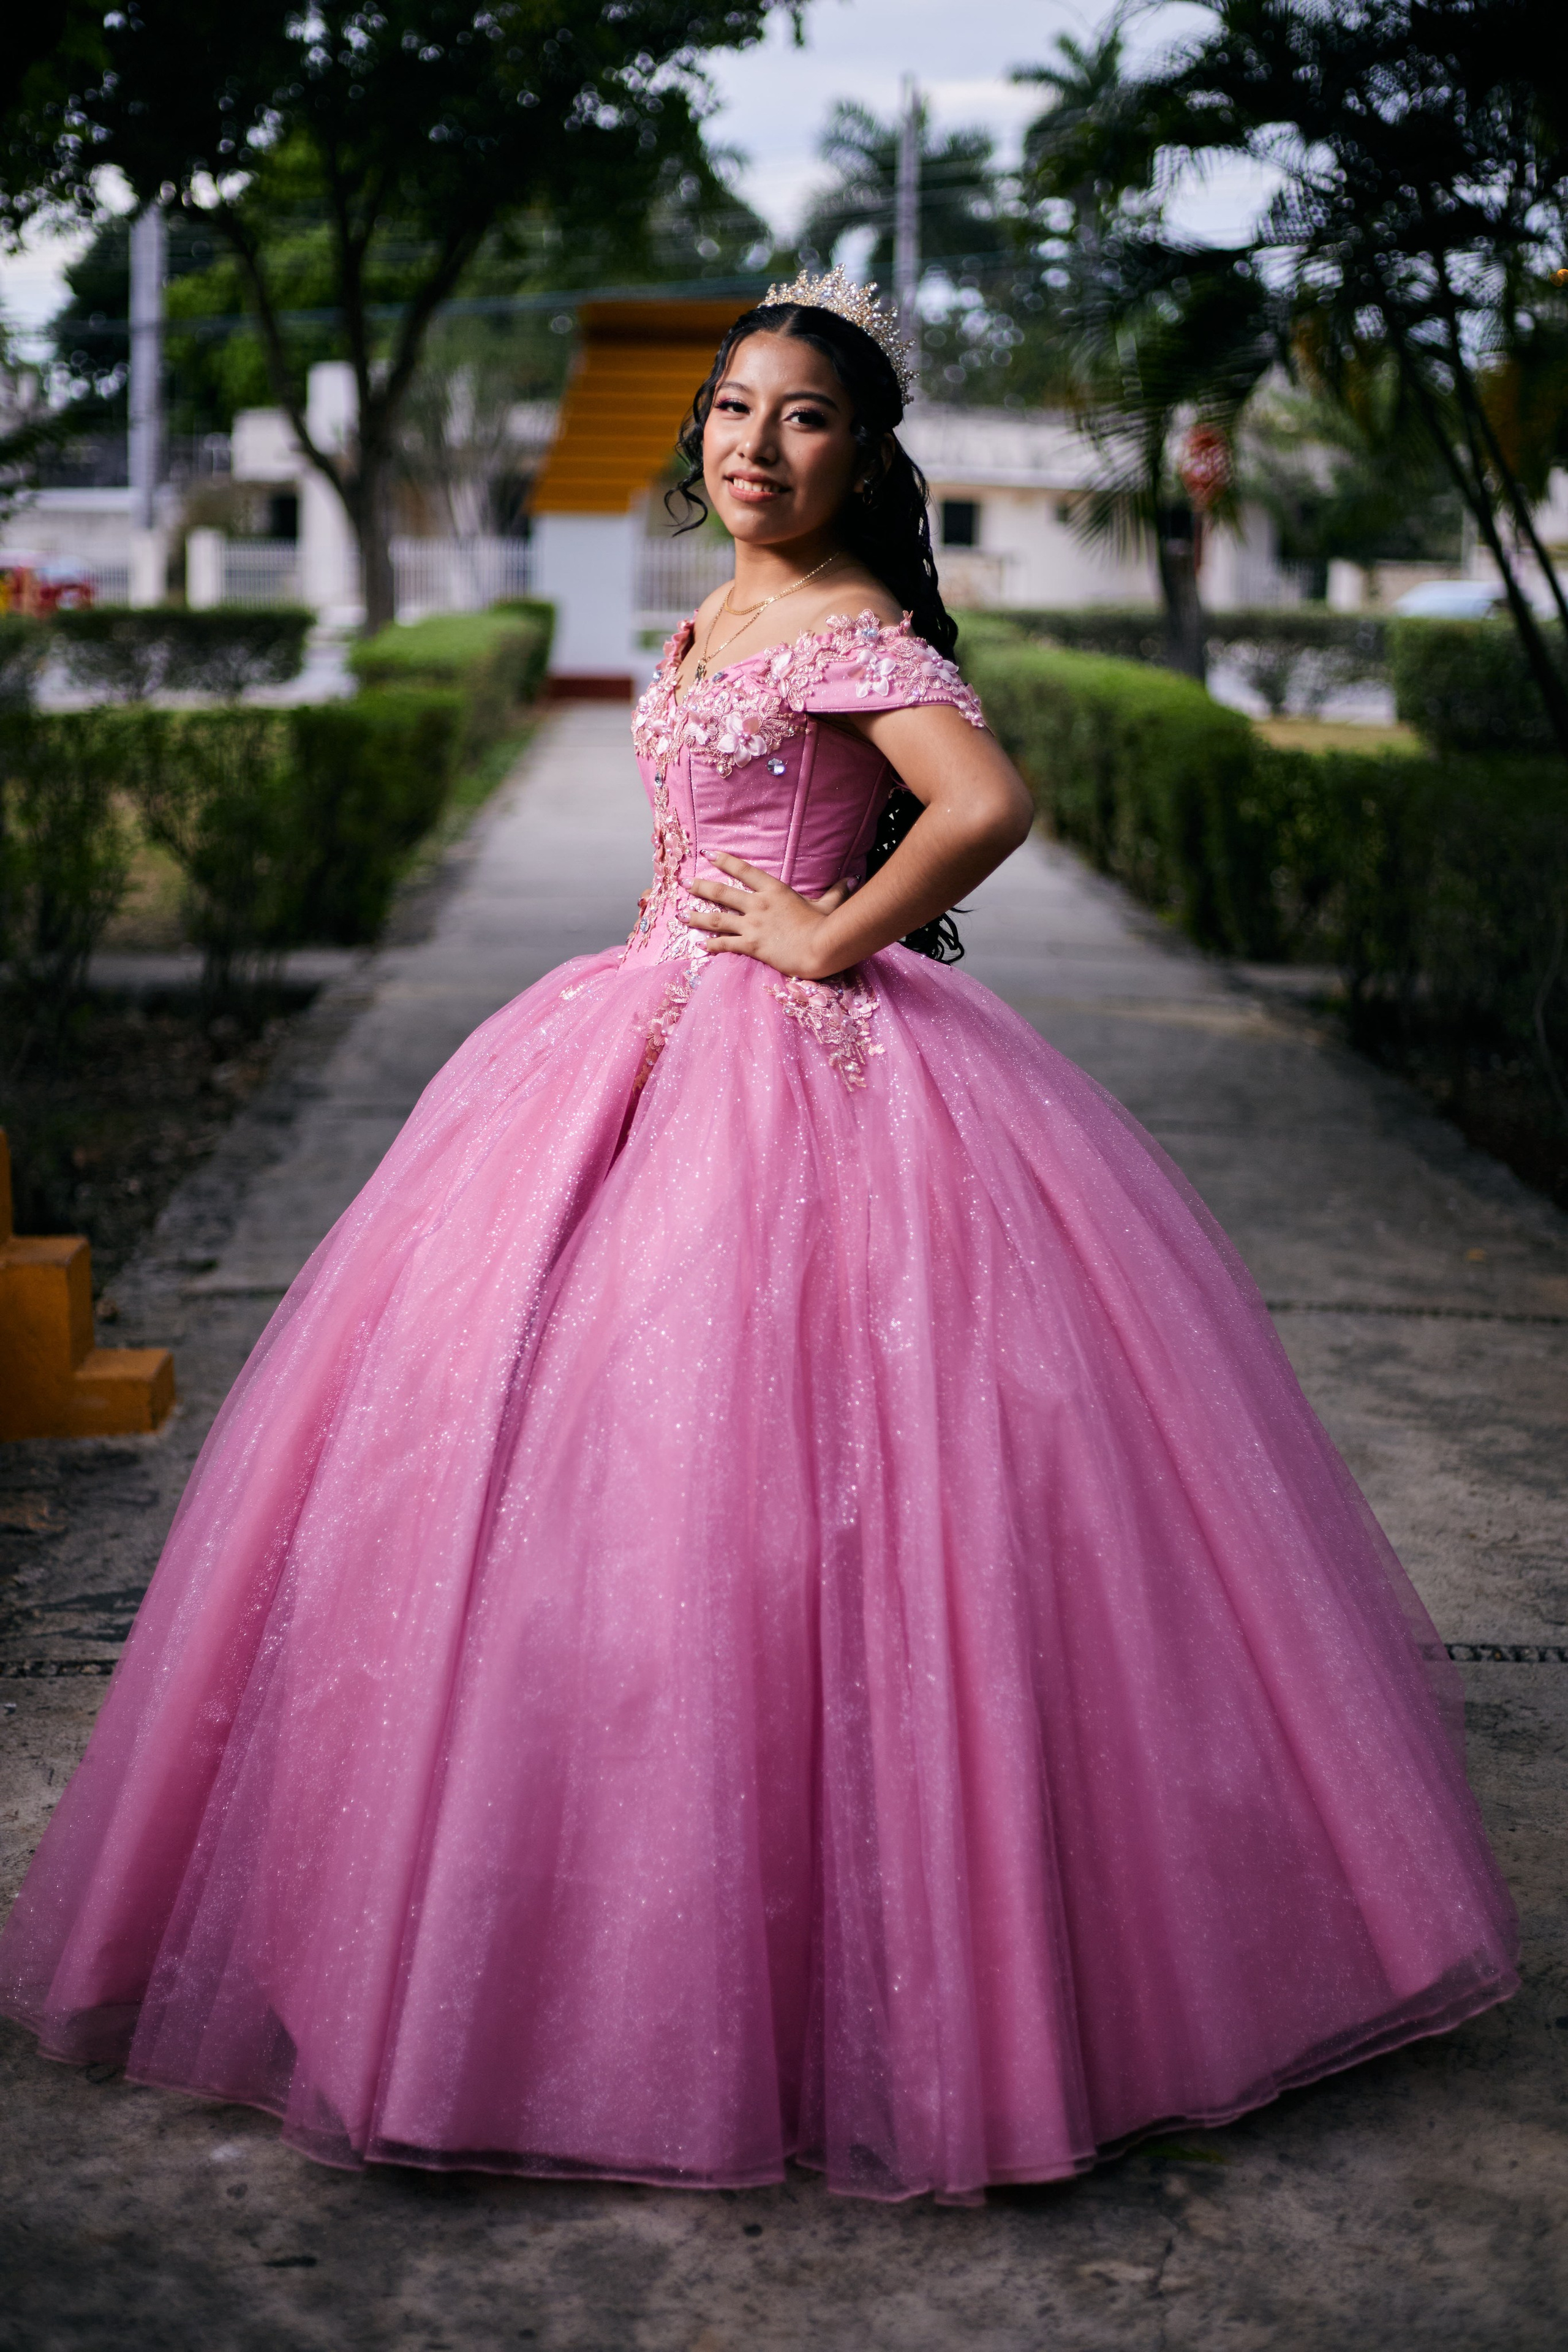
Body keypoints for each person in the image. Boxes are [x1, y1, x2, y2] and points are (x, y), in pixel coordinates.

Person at [0, 271, 1517, 2204]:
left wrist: (820, 934)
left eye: (803, 417)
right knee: (558, 1466)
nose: (754, 444)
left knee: (806, 1485)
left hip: (791, 1067)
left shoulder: (849, 625)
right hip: (623, 1039)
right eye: (732, 408)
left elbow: (984, 801)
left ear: (866, 456)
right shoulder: (723, 606)